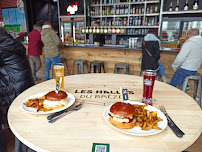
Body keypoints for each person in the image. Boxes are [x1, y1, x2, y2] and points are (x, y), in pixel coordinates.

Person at [0, 27, 35, 152]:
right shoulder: (9, 43)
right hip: (23, 87)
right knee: (24, 123)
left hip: (15, 89)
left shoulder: (2, 46)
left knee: (20, 124)